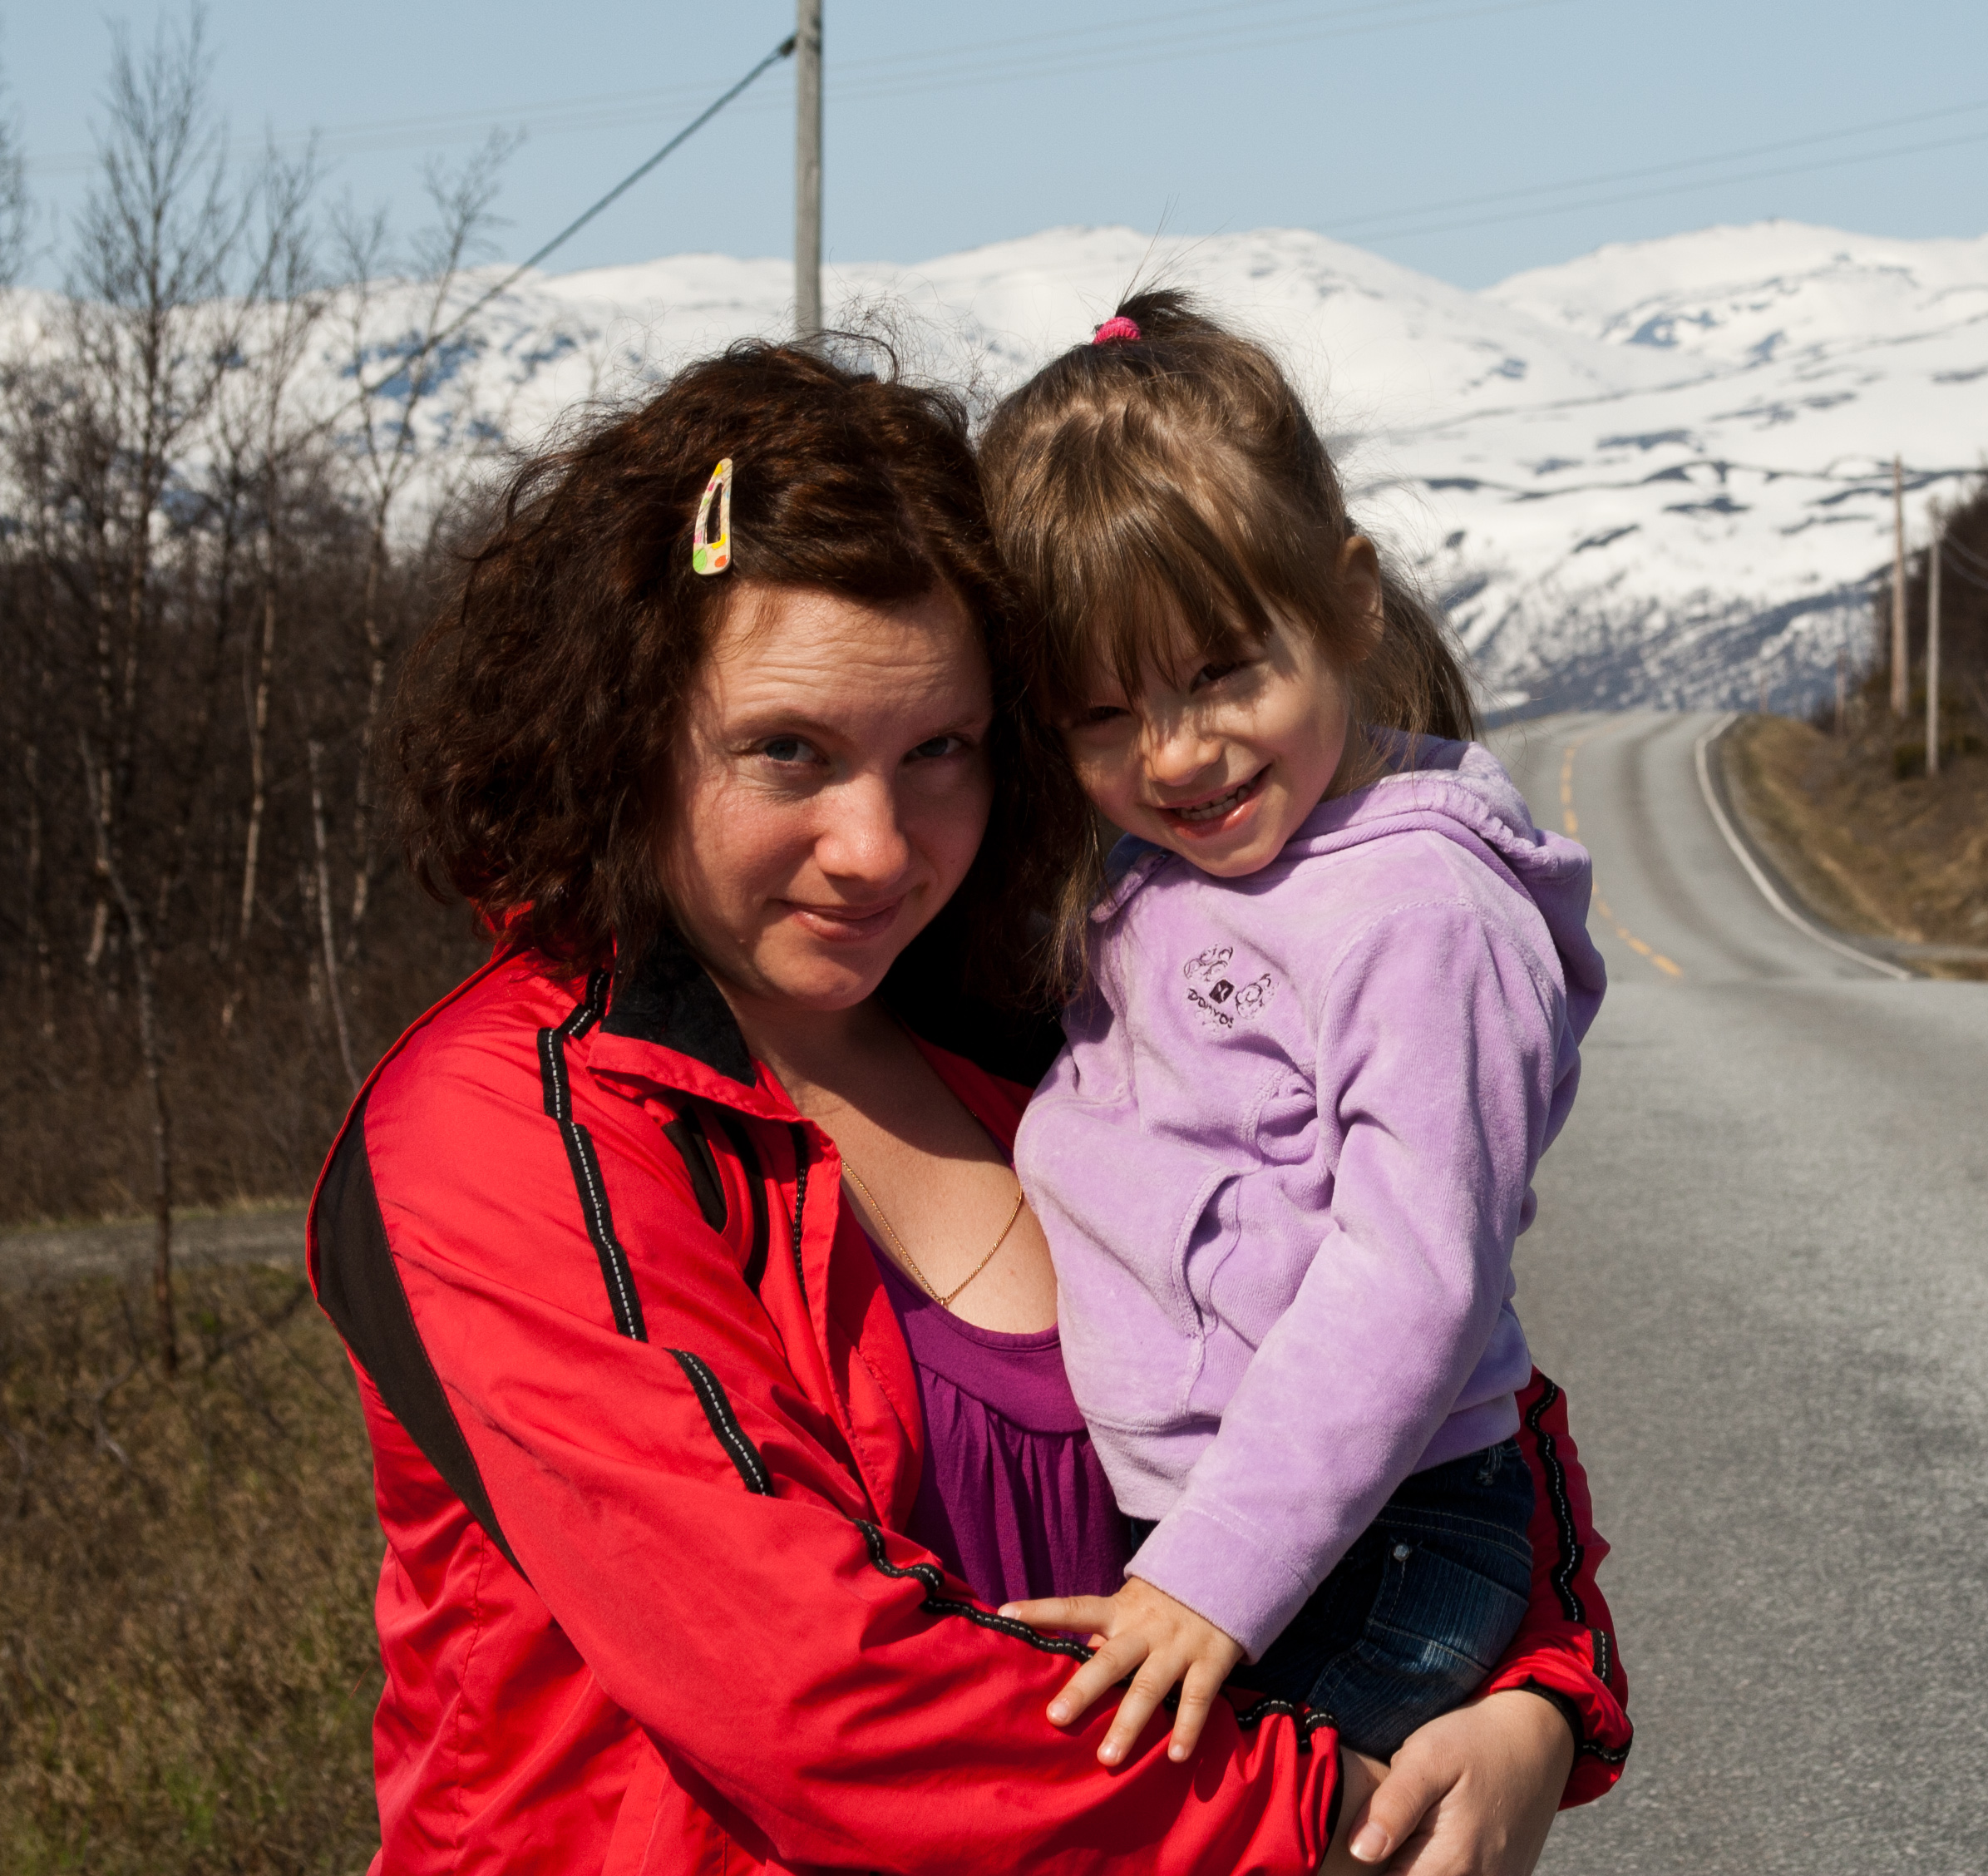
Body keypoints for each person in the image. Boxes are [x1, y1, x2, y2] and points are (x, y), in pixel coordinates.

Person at [307, 338, 1630, 1874]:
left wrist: (1539, 1695)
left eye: (939, 749)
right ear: (627, 729)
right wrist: (1317, 1814)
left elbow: (1427, 1337)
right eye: (787, 752)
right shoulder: (506, 1133)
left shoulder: (1030, 1010)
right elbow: (811, 1697)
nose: (876, 847)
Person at [972, 295, 1606, 1771]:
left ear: (1351, 605)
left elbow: (1414, 1275)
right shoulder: (1161, 874)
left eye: (1221, 673)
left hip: (1375, 1538)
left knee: (1188, 1825)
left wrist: (1215, 1573)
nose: (1176, 753)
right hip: (1238, 1529)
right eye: (1104, 713)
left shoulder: (1419, 912)